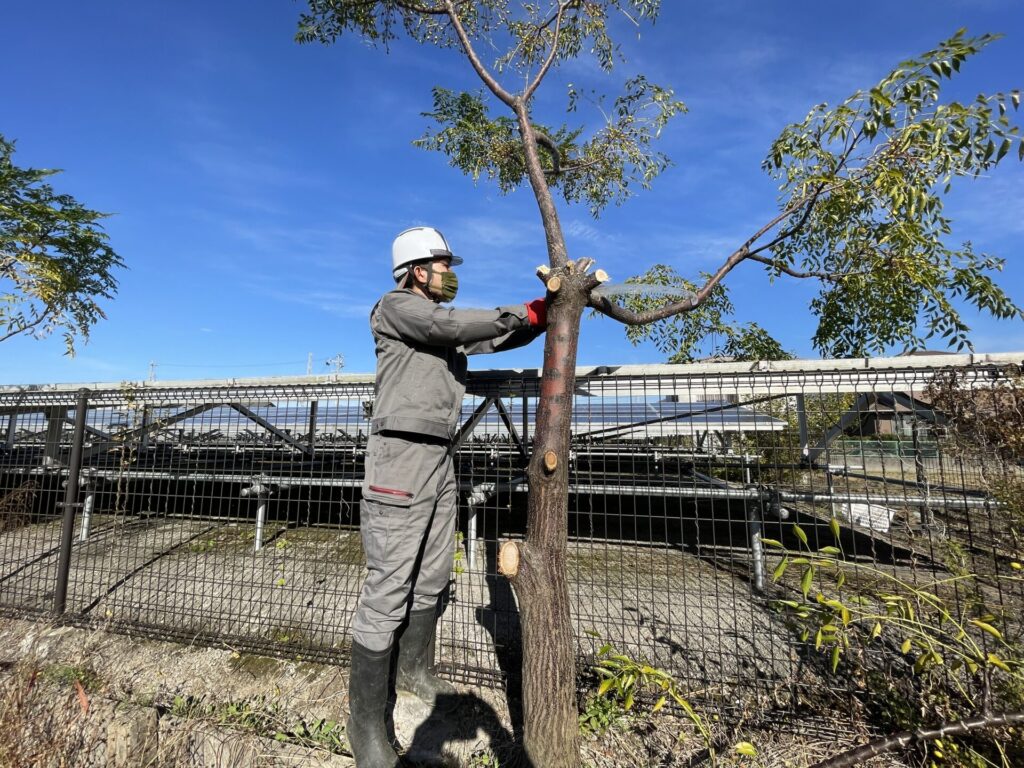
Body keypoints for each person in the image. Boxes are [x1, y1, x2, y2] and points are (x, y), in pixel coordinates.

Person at [347, 226, 547, 767]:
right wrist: (521, 312)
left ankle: (413, 673)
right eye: (441, 264)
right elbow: (452, 324)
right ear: (416, 270)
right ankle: (364, 726)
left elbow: (491, 336)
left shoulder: (443, 326)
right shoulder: (397, 308)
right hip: (399, 457)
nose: (449, 273)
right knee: (390, 583)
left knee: (433, 574)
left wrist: (542, 314)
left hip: (438, 457)